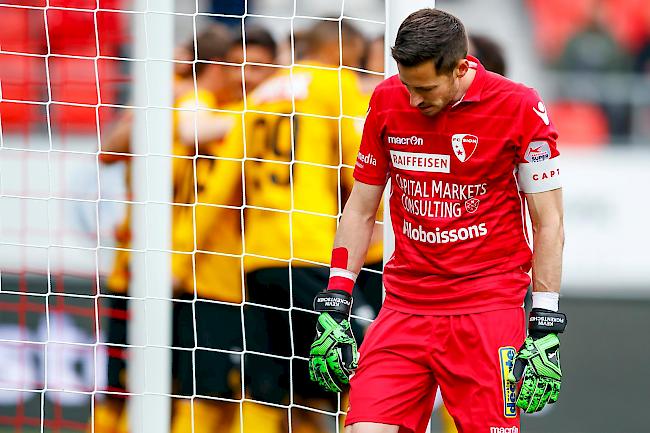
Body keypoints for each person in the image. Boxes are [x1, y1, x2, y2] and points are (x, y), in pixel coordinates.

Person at [308, 8, 566, 433]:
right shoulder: (387, 99)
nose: (412, 99)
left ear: (461, 67)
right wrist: (337, 298)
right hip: (405, 307)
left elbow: (549, 222)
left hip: (486, 311)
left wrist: (545, 321)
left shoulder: (520, 107)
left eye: (424, 88)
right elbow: (359, 207)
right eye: (407, 85)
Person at [172, 19, 371, 433]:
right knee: (369, 363)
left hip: (257, 261)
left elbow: (222, 186)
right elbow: (363, 168)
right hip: (311, 250)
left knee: (268, 382)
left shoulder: (260, 96)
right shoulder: (333, 83)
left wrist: (176, 259)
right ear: (344, 50)